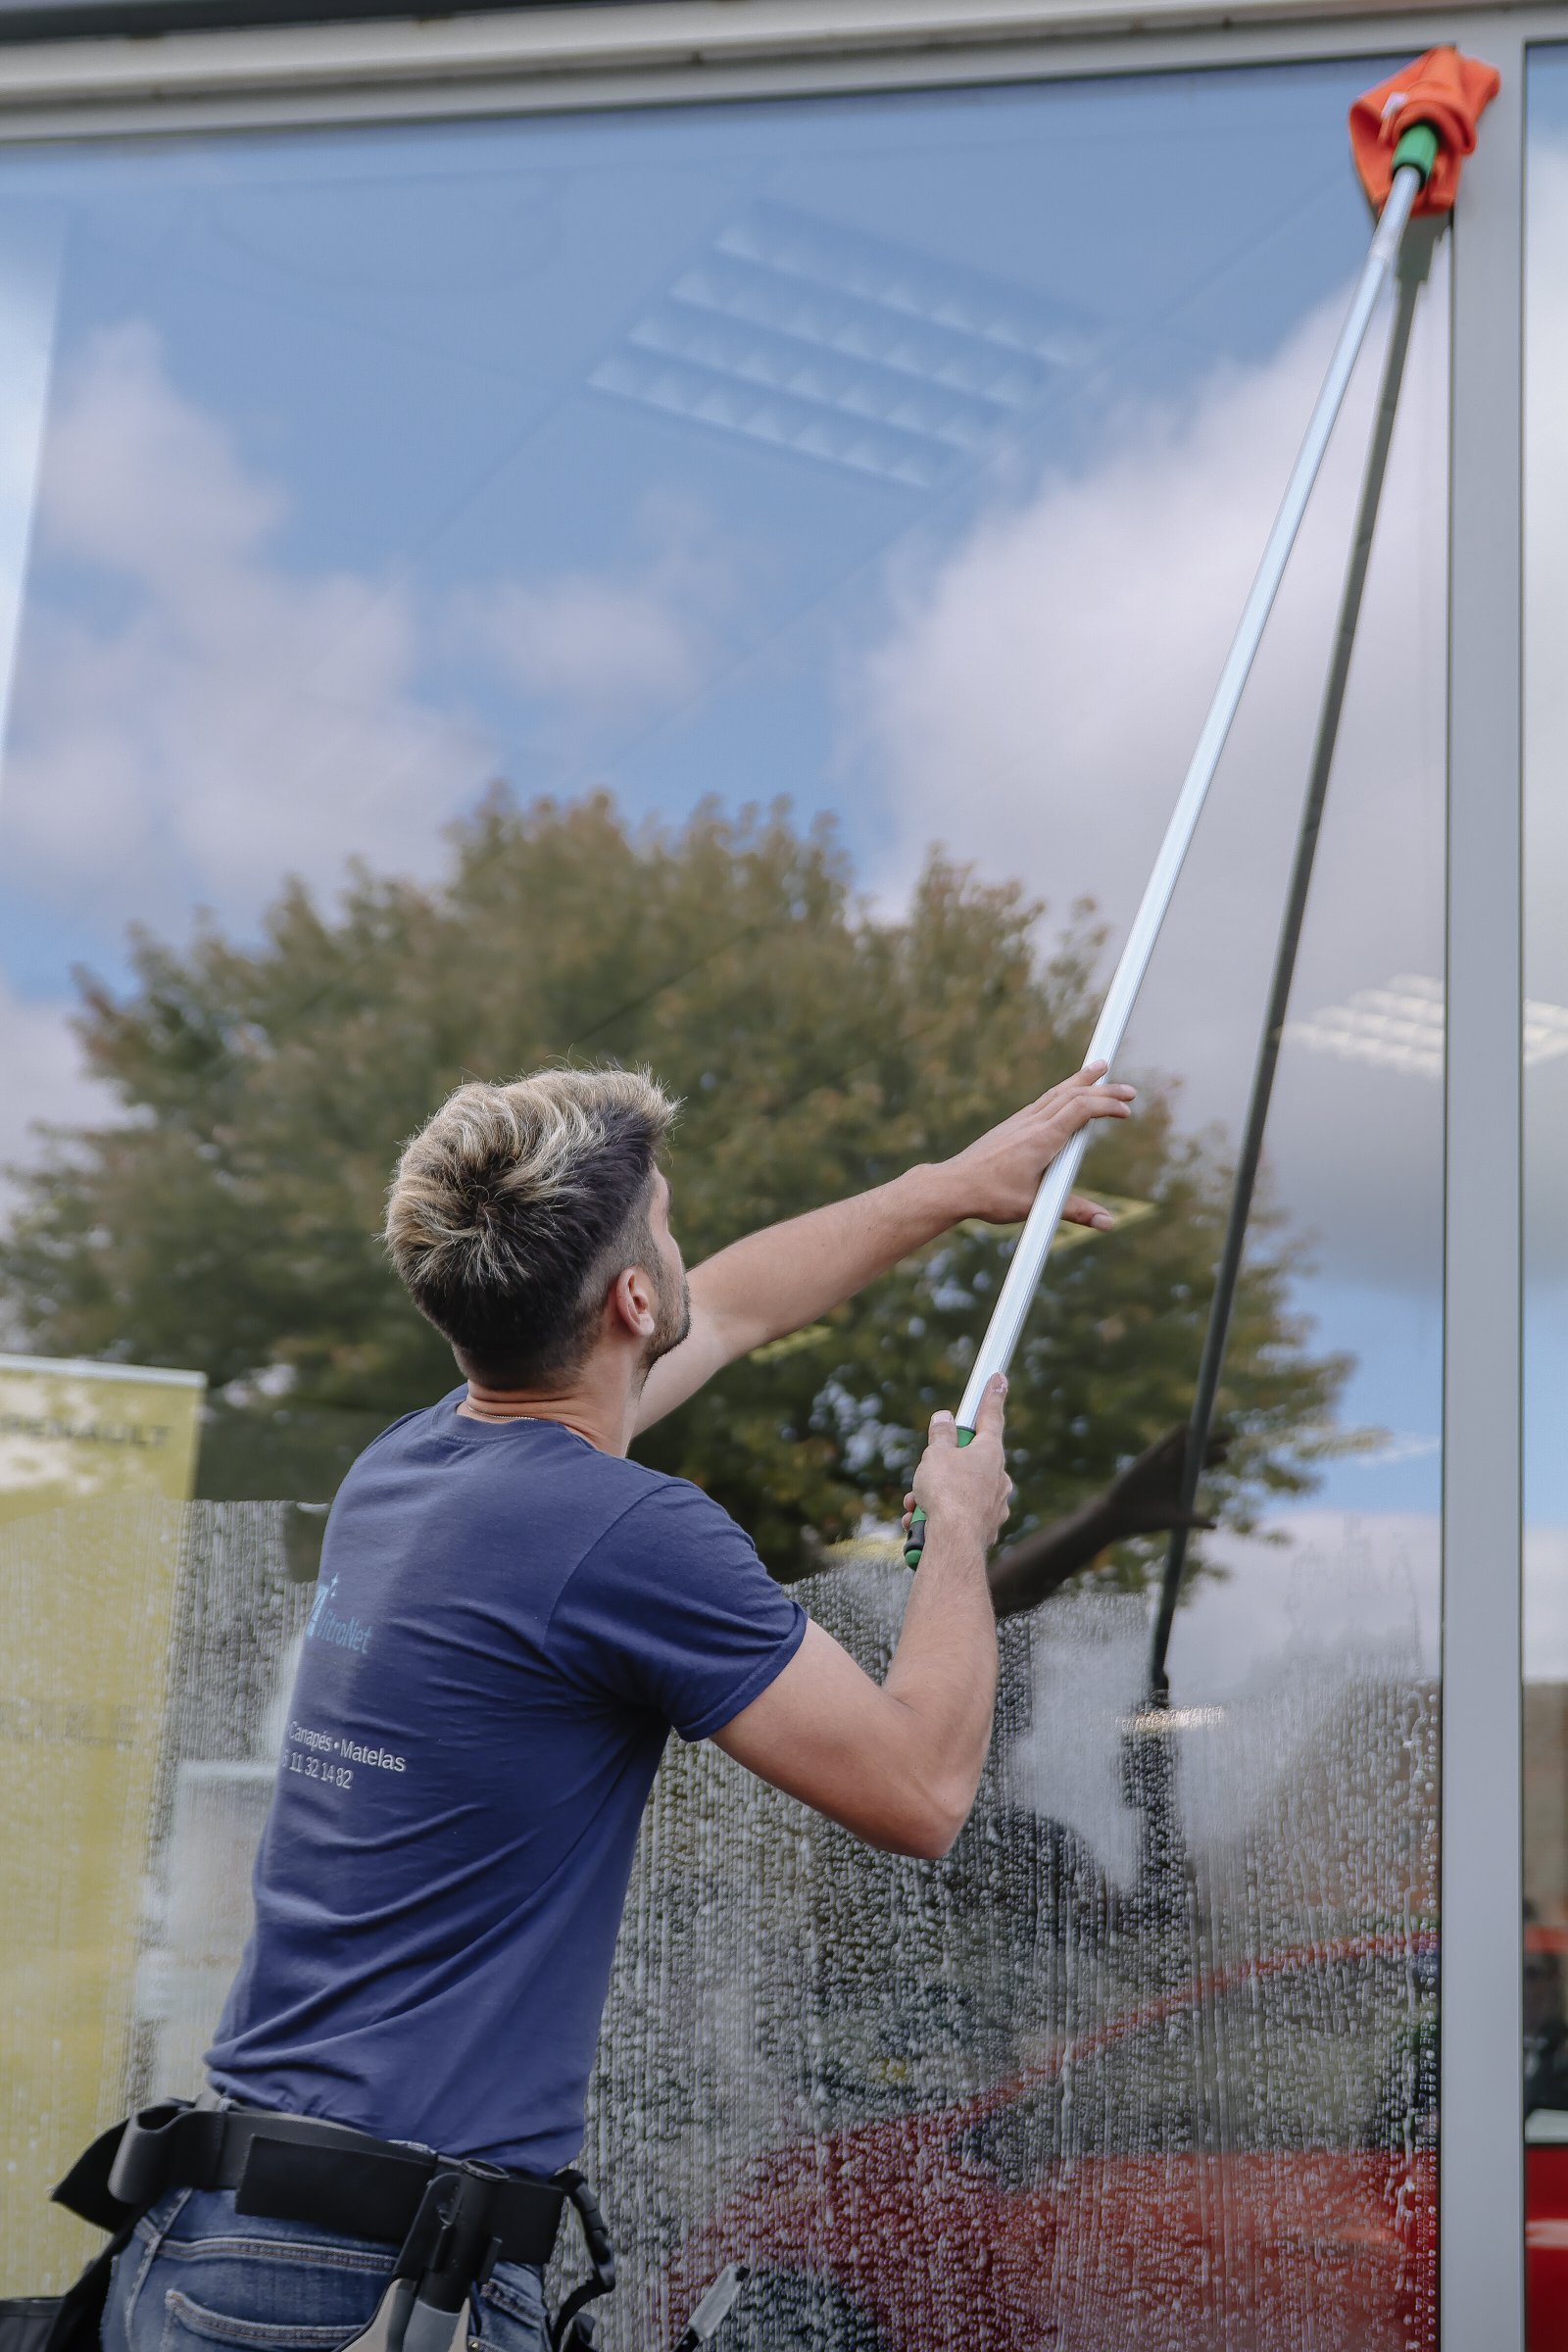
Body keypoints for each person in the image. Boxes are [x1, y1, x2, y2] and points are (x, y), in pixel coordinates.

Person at [100, 1059, 1138, 2352]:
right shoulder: (621, 1535)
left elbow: (743, 1305)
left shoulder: (413, 1467)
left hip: (218, 2239)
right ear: (637, 1299)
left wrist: (949, 1191)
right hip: (370, 2285)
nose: (690, 1245)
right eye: (670, 1218)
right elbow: (922, 1790)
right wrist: (964, 1532)